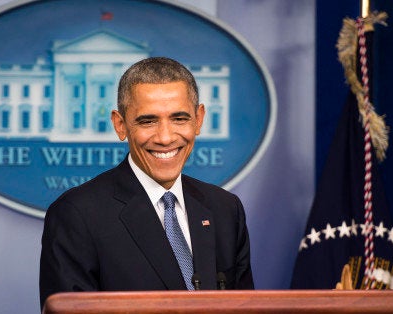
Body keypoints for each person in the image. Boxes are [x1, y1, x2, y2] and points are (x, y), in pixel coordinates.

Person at [39, 57, 254, 308]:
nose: (165, 137)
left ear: (199, 119)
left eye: (179, 119)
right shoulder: (77, 214)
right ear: (120, 125)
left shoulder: (225, 209)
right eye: (148, 121)